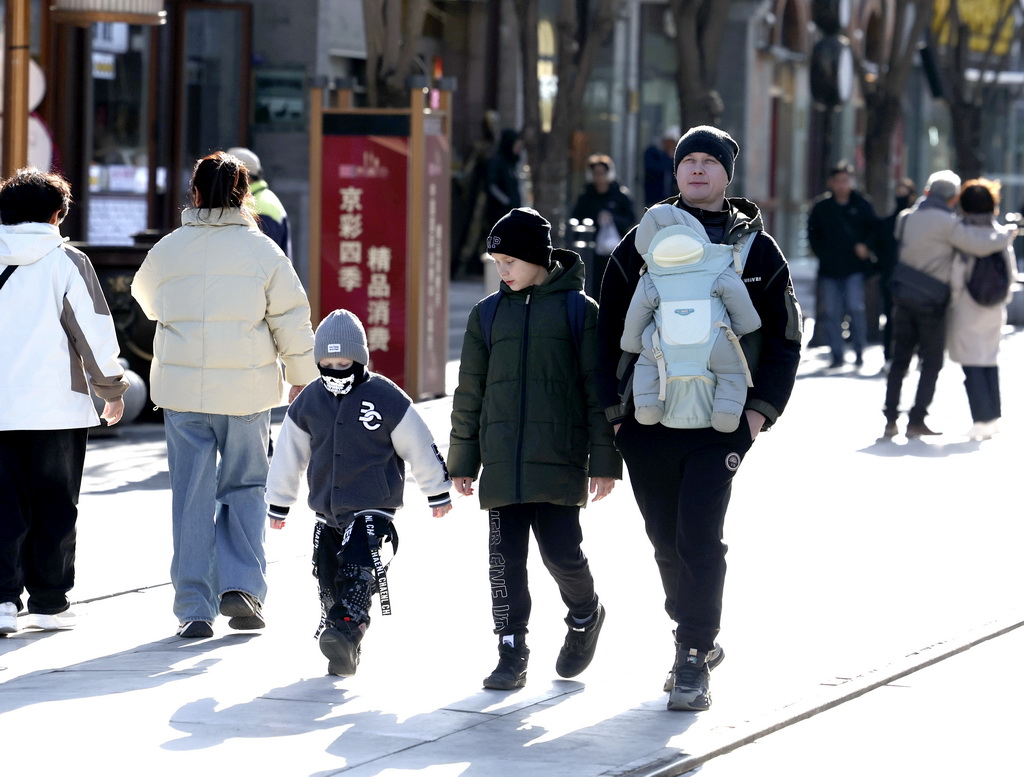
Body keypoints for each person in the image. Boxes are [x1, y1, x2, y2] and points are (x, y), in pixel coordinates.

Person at [596, 126, 803, 712]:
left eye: (710, 161)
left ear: (727, 175)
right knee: (665, 541)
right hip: (646, 420)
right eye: (688, 159)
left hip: (723, 424)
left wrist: (761, 413)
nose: (697, 169)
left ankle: (692, 656)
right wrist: (613, 412)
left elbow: (785, 336)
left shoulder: (759, 251)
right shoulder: (642, 241)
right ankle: (694, 631)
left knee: (698, 537)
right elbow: (608, 330)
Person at [131, 151, 319, 639]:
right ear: (243, 194)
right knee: (245, 487)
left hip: (182, 393)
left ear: (194, 194)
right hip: (247, 391)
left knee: (190, 496)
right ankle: (242, 586)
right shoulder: (263, 252)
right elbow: (292, 317)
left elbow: (145, 300)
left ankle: (193, 606)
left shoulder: (167, 249)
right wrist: (301, 374)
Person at [449, 207, 621, 691]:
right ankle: (511, 648)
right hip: (502, 461)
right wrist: (462, 459)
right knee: (503, 560)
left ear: (537, 258)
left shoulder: (579, 313)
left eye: (509, 261)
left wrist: (603, 461)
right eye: (496, 261)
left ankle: (585, 614)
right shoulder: (486, 314)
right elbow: (470, 392)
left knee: (562, 555)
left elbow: (597, 393)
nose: (502, 270)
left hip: (559, 457)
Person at [265, 309, 453, 675]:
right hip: (327, 512)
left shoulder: (384, 397)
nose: (336, 370)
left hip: (373, 508)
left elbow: (419, 443)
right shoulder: (309, 401)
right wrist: (278, 502)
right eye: (328, 362)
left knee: (357, 569)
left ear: (361, 358)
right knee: (327, 575)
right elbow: (289, 454)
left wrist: (437, 490)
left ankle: (348, 629)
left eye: (344, 361)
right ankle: (342, 646)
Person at [0, 168, 128, 636]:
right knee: (55, 502)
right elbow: (93, 332)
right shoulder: (66, 261)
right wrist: (111, 390)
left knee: (3, 504)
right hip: (56, 408)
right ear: (57, 215)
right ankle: (50, 602)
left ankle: (2, 601)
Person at [882, 170, 1016, 439]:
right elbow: (978, 246)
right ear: (953, 198)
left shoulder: (906, 218)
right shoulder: (949, 223)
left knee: (900, 359)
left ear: (928, 191)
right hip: (932, 299)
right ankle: (917, 419)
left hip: (903, 295)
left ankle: (891, 418)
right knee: (931, 361)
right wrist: (1006, 236)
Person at [946, 179, 1016, 440]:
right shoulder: (1001, 235)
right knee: (989, 360)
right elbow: (1010, 271)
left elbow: (956, 276)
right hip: (994, 306)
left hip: (967, 305)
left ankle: (981, 419)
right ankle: (993, 416)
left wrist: (952, 303)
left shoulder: (962, 235)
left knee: (971, 364)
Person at [807, 162, 879, 368]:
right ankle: (836, 354)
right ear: (831, 183)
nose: (841, 185)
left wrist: (866, 246)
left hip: (854, 267)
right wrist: (824, 254)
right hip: (829, 269)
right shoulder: (822, 207)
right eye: (837, 181)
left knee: (856, 308)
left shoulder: (863, 204)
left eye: (845, 181)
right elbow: (813, 235)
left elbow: (873, 229)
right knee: (831, 312)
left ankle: (859, 350)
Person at [570, 154, 637, 298]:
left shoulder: (620, 195)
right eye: (595, 173)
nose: (599, 177)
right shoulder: (586, 195)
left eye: (602, 173)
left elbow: (631, 219)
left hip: (616, 249)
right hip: (592, 252)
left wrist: (613, 219)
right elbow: (577, 216)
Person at [875, 177, 917, 362]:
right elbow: (880, 249)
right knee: (891, 318)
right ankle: (889, 356)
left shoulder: (918, 224)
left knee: (913, 319)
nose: (901, 197)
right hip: (891, 277)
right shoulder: (887, 223)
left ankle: (912, 354)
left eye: (905, 193)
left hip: (914, 278)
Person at [227, 146, 291, 259]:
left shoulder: (256, 206)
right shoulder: (264, 199)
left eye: (227, 176)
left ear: (243, 176)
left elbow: (263, 260)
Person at [483, 129, 524, 234]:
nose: (518, 149)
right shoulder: (498, 162)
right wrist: (507, 202)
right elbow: (492, 186)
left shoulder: (512, 163)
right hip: (499, 213)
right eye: (516, 146)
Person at [643, 125, 679, 207]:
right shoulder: (653, 151)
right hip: (654, 195)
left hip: (669, 196)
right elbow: (652, 169)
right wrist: (670, 159)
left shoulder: (669, 153)